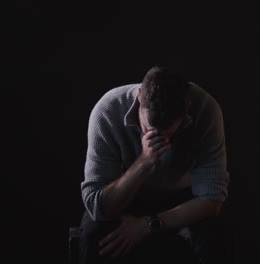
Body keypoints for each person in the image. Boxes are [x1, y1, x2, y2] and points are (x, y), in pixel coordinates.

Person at [79, 66, 230, 264]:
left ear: (187, 107)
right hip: (127, 196)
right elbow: (98, 206)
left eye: (167, 133)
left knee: (216, 235)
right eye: (149, 129)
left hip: (182, 198)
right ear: (139, 96)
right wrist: (144, 161)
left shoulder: (206, 109)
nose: (158, 138)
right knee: (94, 238)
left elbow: (212, 199)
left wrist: (148, 225)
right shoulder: (108, 110)